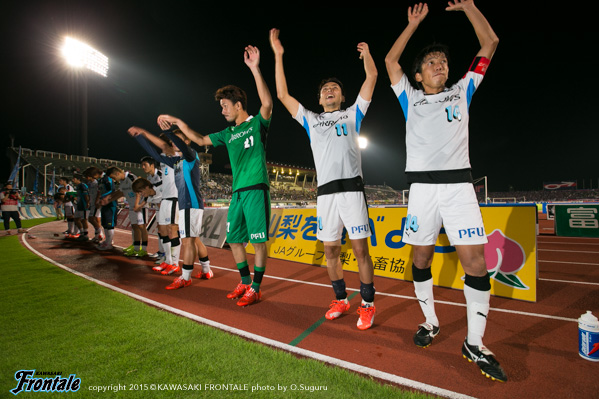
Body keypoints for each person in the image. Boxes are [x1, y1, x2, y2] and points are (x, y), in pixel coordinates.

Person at [384, 1, 505, 382]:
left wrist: (470, 7)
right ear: (418, 76)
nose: (440, 66)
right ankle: (431, 320)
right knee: (420, 259)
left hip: (459, 189)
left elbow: (490, 42)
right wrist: (414, 25)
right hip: (421, 190)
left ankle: (474, 342)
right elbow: (391, 60)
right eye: (432, 63)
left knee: (476, 265)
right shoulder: (410, 97)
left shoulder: (463, 90)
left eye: (443, 62)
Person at [270, 29, 378, 330]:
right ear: (319, 98)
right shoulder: (311, 120)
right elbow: (282, 95)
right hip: (325, 195)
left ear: (342, 96)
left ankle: (368, 304)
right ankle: (341, 298)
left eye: (334, 88)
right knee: (330, 250)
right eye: (325, 89)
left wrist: (367, 55)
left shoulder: (353, 114)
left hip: (352, 191)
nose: (329, 90)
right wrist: (278, 55)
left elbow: (371, 79)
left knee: (360, 251)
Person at [157, 44, 273, 307]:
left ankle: (255, 287)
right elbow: (198, 138)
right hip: (237, 193)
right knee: (233, 240)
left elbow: (267, 103)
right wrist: (176, 122)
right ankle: (244, 281)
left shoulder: (257, 123)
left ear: (238, 105)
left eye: (225, 106)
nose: (222, 110)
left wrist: (255, 68)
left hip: (256, 188)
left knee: (258, 242)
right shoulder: (227, 133)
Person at [128, 126, 212, 290]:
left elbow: (176, 144)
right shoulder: (176, 162)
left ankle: (185, 277)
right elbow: (154, 153)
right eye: (172, 140)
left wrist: (168, 132)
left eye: (177, 139)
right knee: (193, 239)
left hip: (190, 203)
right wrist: (141, 136)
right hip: (187, 204)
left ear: (186, 141)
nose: (173, 143)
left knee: (188, 241)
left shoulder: (191, 155)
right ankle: (206, 269)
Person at [96, 166, 122, 250]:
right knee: (105, 224)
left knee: (109, 224)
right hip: (104, 203)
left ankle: (109, 243)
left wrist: (105, 198)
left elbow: (112, 190)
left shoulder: (107, 179)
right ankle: (107, 241)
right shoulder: (101, 180)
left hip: (111, 204)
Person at [83, 166, 104, 242]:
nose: (87, 178)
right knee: (95, 219)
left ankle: (100, 233)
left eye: (87, 176)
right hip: (92, 202)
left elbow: (99, 192)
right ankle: (97, 235)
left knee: (91, 218)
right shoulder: (90, 183)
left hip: (95, 203)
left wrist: (97, 201)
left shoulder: (97, 183)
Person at [72, 173, 90, 241]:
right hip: (79, 205)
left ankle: (85, 235)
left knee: (83, 220)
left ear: (78, 179)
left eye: (74, 179)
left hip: (83, 205)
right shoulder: (78, 186)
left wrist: (87, 202)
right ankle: (82, 232)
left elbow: (86, 195)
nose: (73, 180)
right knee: (76, 219)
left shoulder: (83, 185)